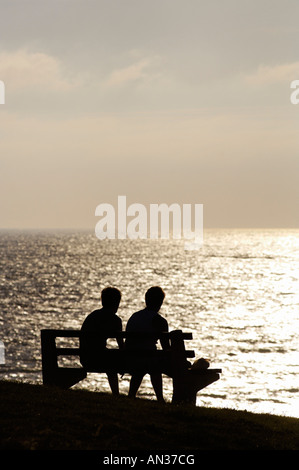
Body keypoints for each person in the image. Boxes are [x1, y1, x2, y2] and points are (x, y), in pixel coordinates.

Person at [125, 286, 170, 402]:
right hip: (147, 359)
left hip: (131, 357)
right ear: (160, 302)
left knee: (141, 366)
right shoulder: (160, 321)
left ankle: (131, 395)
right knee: (153, 364)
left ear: (146, 300)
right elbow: (166, 347)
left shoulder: (134, 316)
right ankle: (160, 398)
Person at [80, 287, 123, 395]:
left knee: (109, 356)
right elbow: (121, 346)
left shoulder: (92, 316)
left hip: (85, 359)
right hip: (99, 359)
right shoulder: (115, 320)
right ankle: (116, 394)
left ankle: (116, 394)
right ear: (116, 303)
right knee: (112, 362)